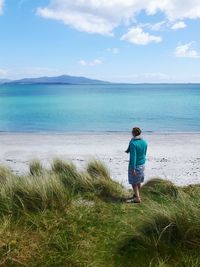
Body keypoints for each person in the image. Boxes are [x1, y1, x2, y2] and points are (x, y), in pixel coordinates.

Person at [125, 127, 147, 203]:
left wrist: (133, 168)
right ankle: (137, 195)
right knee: (139, 181)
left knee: (134, 183)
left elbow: (133, 157)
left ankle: (137, 198)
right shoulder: (144, 142)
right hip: (142, 164)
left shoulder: (133, 143)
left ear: (133, 133)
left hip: (135, 165)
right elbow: (144, 154)